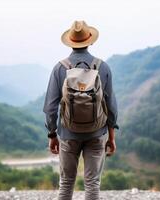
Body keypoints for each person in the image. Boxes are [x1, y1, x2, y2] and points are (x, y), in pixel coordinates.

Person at [43, 20, 118, 200]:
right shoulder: (102, 67)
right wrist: (111, 136)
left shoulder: (60, 68)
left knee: (67, 182)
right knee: (92, 183)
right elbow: (111, 107)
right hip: (96, 133)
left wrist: (52, 135)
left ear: (70, 41)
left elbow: (50, 108)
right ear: (90, 40)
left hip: (68, 134)